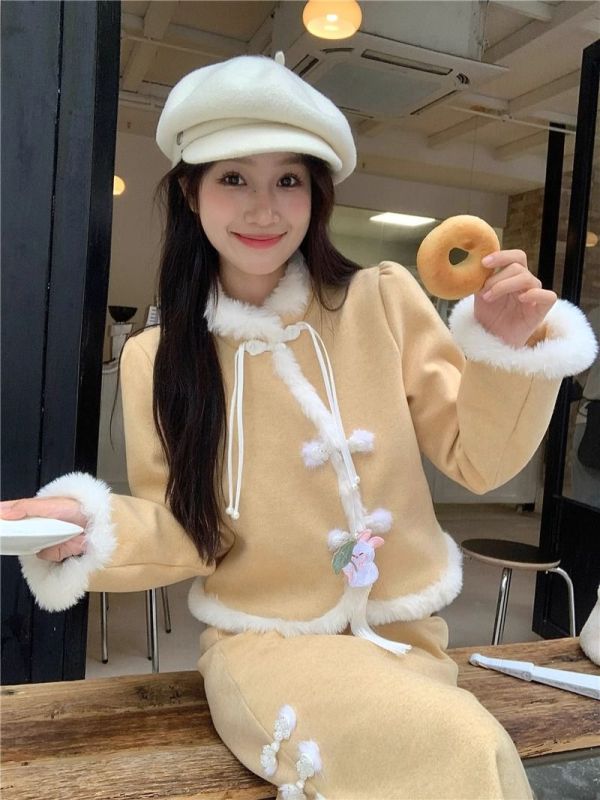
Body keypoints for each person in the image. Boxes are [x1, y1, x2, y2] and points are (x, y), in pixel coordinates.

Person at [1, 53, 598, 800]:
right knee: (464, 749)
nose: (264, 209)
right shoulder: (161, 358)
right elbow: (185, 528)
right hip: (265, 644)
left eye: (288, 180)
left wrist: (505, 353)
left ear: (317, 195)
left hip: (408, 641)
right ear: (189, 191)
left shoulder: (382, 300)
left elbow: (478, 460)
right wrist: (86, 523)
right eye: (234, 178)